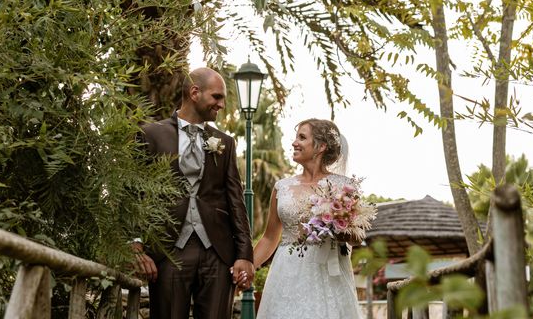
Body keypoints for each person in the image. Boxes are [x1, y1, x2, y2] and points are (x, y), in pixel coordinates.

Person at [134, 67, 255, 319]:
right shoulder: (150, 134)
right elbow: (133, 194)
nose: (221, 104)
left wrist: (245, 255)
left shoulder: (224, 142)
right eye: (217, 97)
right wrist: (135, 246)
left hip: (218, 252)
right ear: (194, 92)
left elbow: (236, 201)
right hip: (168, 249)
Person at [253, 118, 363, 319]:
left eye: (302, 138)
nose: (294, 142)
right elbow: (269, 238)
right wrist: (248, 266)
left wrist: (336, 228)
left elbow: (357, 237)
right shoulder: (282, 187)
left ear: (320, 147)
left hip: (328, 276)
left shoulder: (344, 187)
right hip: (285, 274)